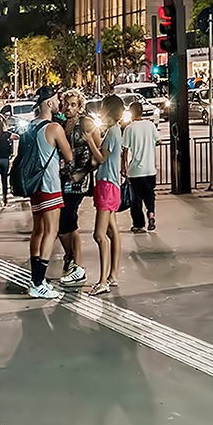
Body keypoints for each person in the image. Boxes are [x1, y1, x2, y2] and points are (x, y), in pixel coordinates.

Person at [14, 87, 74, 300]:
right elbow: (69, 155)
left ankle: (35, 279)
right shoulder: (54, 128)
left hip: (35, 186)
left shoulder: (30, 126)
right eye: (56, 99)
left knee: (38, 231)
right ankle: (38, 283)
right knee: (51, 230)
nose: (58, 103)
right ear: (48, 103)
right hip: (50, 185)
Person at [55, 89, 96, 286]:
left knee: (68, 217)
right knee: (61, 222)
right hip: (62, 177)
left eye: (73, 105)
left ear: (80, 106)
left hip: (80, 179)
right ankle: (70, 255)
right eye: (66, 104)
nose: (69, 108)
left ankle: (77, 265)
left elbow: (97, 154)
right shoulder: (61, 125)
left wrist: (83, 172)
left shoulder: (86, 123)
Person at [89, 94, 128, 295]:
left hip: (107, 185)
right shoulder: (115, 130)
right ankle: (112, 275)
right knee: (113, 232)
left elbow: (101, 159)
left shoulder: (112, 131)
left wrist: (89, 141)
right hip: (111, 185)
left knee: (100, 234)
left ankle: (103, 281)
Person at [123, 98, 159, 233]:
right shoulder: (150, 125)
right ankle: (151, 213)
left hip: (135, 171)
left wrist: (123, 167)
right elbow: (158, 140)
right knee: (149, 195)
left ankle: (138, 224)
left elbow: (125, 149)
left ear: (131, 113)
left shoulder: (129, 128)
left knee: (136, 200)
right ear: (142, 112)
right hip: (150, 170)